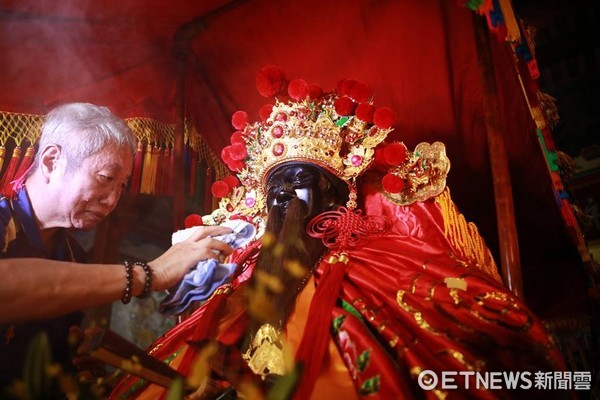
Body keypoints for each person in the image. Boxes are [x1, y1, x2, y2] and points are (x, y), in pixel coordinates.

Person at [109, 68, 569, 399]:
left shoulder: (381, 262)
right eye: (274, 187)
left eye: (299, 181)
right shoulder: (238, 277)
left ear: (338, 195)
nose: (283, 196)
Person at [0, 103, 234, 393]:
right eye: (106, 178)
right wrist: (149, 273)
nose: (112, 200)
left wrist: (70, 359)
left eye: (122, 185)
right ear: (51, 161)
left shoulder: (73, 255)